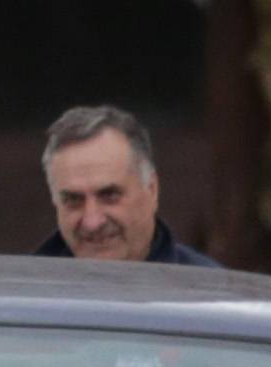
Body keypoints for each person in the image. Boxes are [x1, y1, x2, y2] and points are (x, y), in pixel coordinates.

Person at [35, 105, 217, 267]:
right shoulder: (26, 296)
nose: (92, 222)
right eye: (74, 200)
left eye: (109, 195)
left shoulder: (210, 297)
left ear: (152, 189)